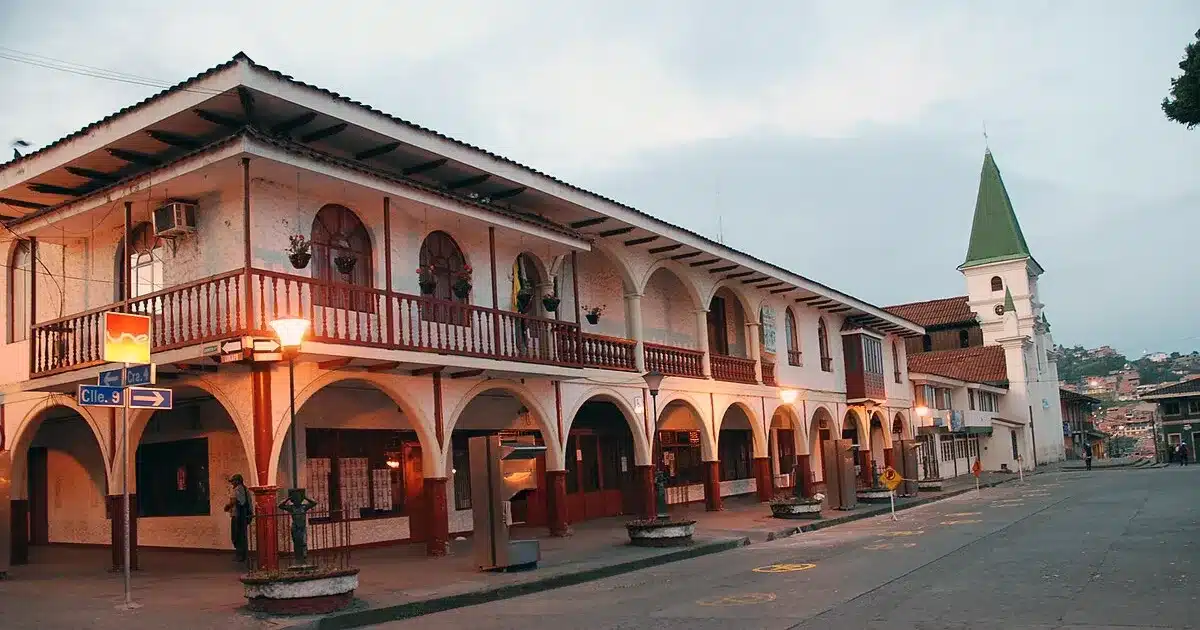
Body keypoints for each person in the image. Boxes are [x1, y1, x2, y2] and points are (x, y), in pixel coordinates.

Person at [223, 474, 252, 562]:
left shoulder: (238, 489)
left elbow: (234, 501)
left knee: (236, 535)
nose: (232, 483)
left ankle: (240, 555)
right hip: (244, 515)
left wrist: (227, 507)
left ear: (238, 481)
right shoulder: (245, 489)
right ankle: (243, 555)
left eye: (233, 481)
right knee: (242, 535)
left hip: (238, 516)